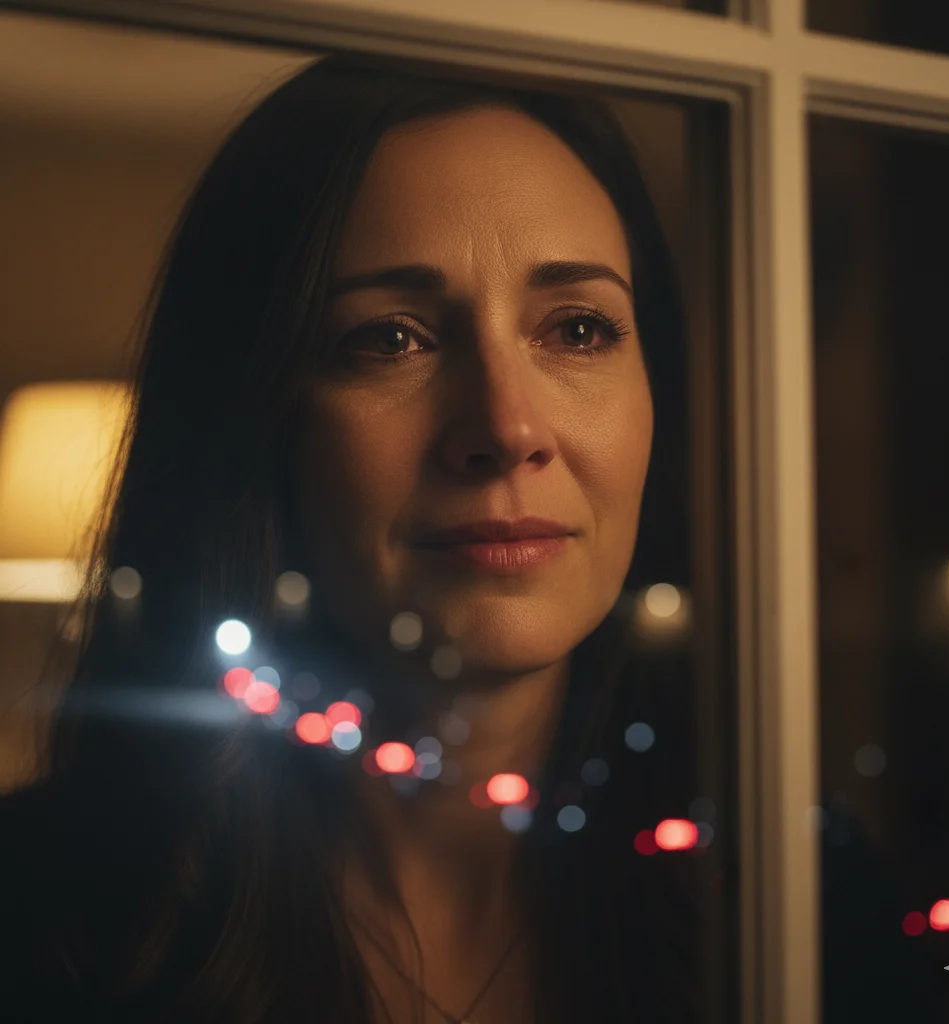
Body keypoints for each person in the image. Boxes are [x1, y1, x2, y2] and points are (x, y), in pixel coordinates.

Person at [0, 54, 698, 1023]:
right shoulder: (37, 921)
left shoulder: (784, 897)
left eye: (578, 329)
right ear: (255, 415)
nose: (506, 428)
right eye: (391, 339)